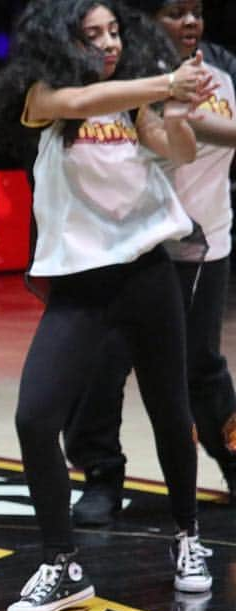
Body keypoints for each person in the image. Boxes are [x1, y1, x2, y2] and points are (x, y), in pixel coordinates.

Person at [0, 0, 216, 611]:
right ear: (62, 41)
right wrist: (168, 80)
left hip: (146, 272)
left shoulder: (136, 96)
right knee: (35, 419)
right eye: (92, 35)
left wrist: (179, 109)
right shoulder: (44, 98)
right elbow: (78, 105)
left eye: (113, 32)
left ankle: (188, 536)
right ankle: (63, 563)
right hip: (79, 284)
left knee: (171, 410)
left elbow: (179, 151)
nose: (108, 44)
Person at [65, 0, 236, 524]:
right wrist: (169, 93)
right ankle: (101, 477)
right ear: (148, 22)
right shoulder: (128, 84)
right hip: (128, 252)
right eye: (175, 13)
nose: (189, 23)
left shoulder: (224, 71)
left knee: (200, 367)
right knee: (104, 364)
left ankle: (231, 462)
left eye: (196, 12)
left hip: (205, 245)